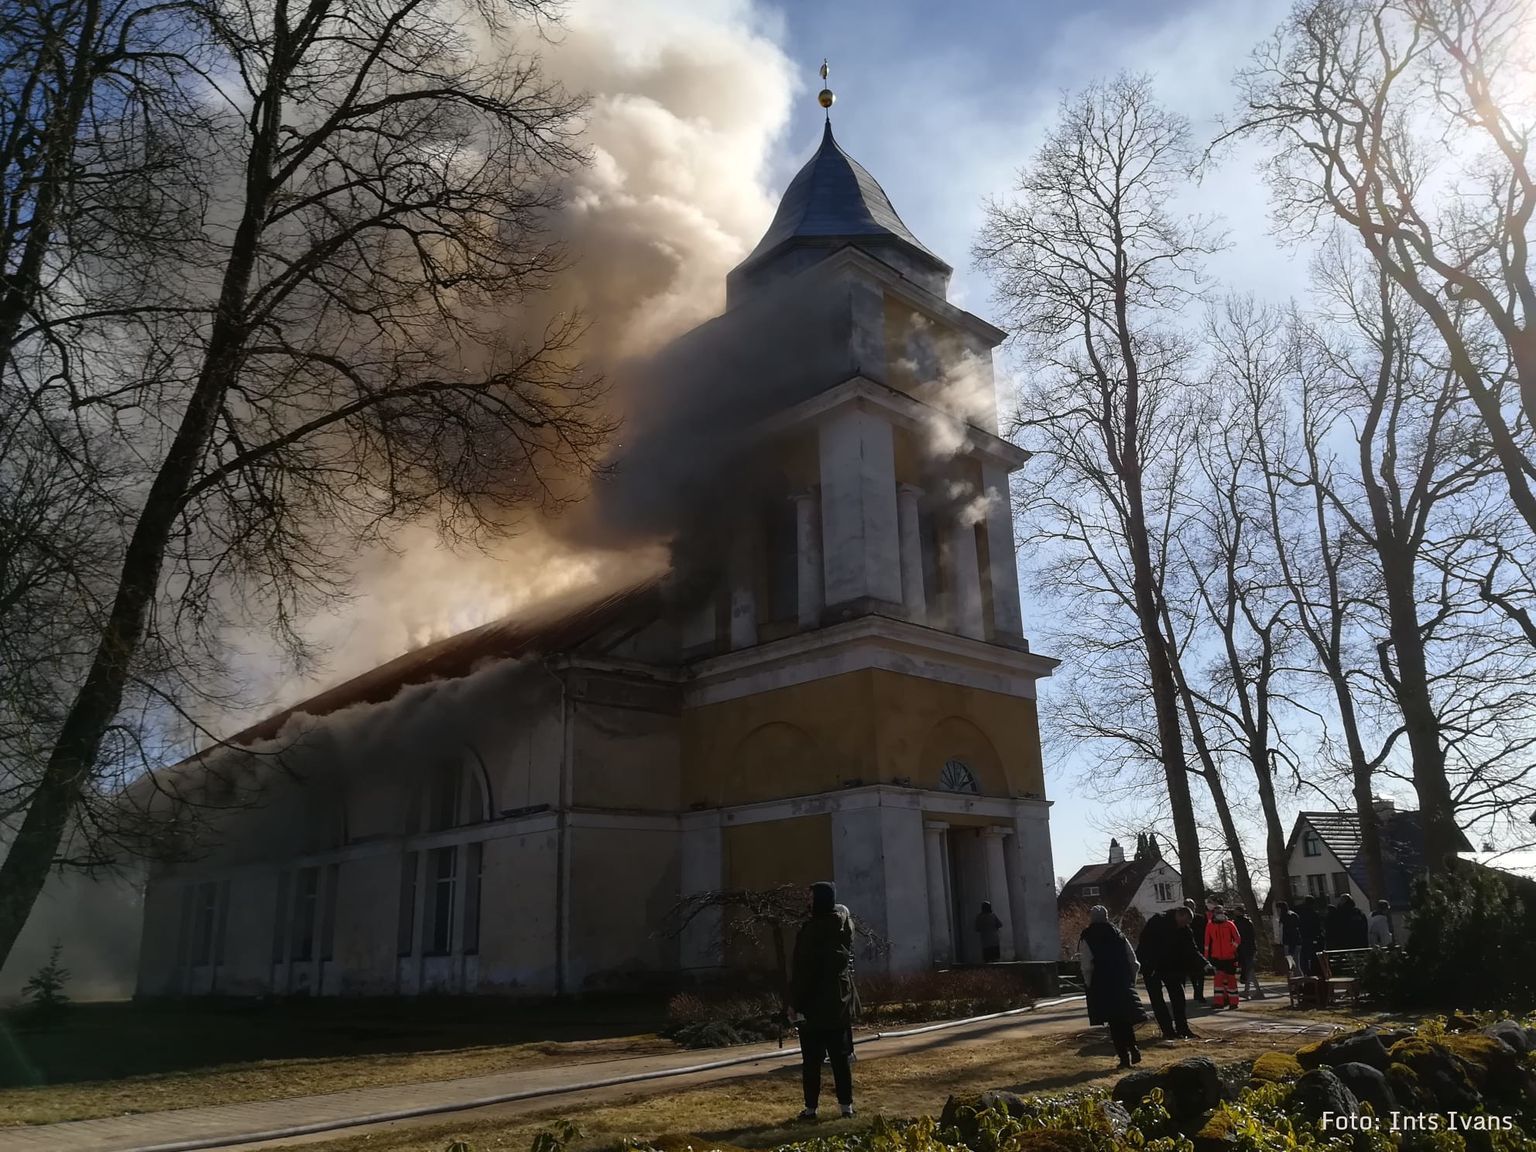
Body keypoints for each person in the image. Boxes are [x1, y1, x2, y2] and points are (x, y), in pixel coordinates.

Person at [791, 881, 858, 1121]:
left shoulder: (811, 931)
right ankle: (846, 1108)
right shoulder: (843, 926)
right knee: (840, 1059)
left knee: (811, 1061)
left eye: (810, 897)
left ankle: (811, 1109)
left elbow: (803, 972)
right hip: (839, 1002)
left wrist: (794, 1003)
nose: (807, 901)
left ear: (818, 900)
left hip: (813, 1006)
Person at [1078, 905, 1145, 1069]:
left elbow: (1087, 965)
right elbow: (1134, 962)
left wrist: (1088, 983)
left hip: (1101, 983)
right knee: (1125, 1019)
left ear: (1092, 918)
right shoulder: (1118, 934)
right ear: (1107, 917)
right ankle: (1133, 1047)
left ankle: (1124, 1058)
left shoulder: (1087, 936)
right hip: (1122, 981)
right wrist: (1131, 981)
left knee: (1114, 1023)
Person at [1137, 905, 1211, 1040]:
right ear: (1179, 915)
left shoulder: (1185, 930)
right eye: (1185, 921)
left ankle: (1182, 1029)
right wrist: (1147, 964)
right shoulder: (1157, 922)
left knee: (1178, 998)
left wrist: (1205, 964)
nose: (1186, 925)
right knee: (1157, 1000)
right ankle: (1168, 1030)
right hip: (1152, 967)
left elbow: (1192, 950)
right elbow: (1144, 944)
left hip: (1173, 967)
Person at [1204, 903, 1243, 1009]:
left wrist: (1231, 949)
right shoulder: (1210, 925)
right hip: (1216, 957)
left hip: (1230, 957)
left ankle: (1233, 1002)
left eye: (1220, 912)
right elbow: (1207, 943)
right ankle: (1219, 1002)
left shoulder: (1230, 924)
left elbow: (1237, 939)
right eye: (1217, 912)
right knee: (1218, 980)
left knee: (1231, 980)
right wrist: (1206, 958)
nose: (1219, 914)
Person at [1232, 908, 1264, 999]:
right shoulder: (1248, 923)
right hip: (1250, 949)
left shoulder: (1238, 923)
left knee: (1248, 970)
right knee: (1249, 970)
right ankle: (1253, 990)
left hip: (1245, 949)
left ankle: (1251, 991)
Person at [1186, 898, 1210, 1003]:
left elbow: (1206, 933)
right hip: (1188, 950)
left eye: (1192, 906)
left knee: (1201, 973)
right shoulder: (1183, 920)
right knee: (1192, 973)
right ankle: (1196, 990)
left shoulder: (1200, 919)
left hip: (1200, 948)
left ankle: (1199, 993)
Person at [1297, 895, 1323, 975]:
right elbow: (1318, 926)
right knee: (1312, 956)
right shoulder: (1314, 913)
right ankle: (1313, 970)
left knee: (1304, 956)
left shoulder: (1301, 913)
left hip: (1305, 937)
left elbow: (1300, 925)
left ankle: (1306, 971)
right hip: (1313, 938)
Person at [1276, 900, 1303, 974]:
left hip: (1288, 942)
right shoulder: (1294, 915)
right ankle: (1300, 981)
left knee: (1291, 964)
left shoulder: (1283, 917)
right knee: (1296, 963)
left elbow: (1281, 930)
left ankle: (1298, 981)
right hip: (1297, 941)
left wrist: (1280, 941)